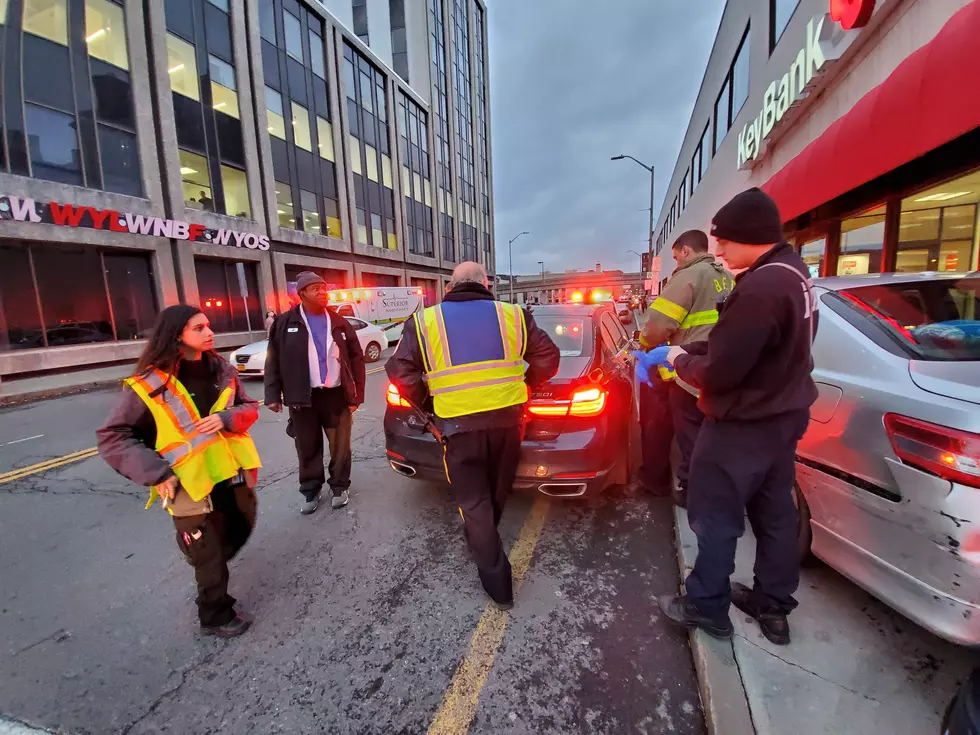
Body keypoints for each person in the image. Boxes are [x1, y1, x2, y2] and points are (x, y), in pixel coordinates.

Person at [654, 188, 818, 645]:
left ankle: (706, 606)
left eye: (725, 241)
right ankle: (773, 605)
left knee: (715, 515)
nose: (719, 249)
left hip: (741, 426)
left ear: (751, 236)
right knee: (775, 516)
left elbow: (722, 372)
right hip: (781, 419)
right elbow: (752, 347)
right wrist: (694, 347)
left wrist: (677, 360)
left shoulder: (762, 288)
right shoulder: (794, 274)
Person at [386, 262, 560, 609]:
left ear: (449, 287)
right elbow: (548, 357)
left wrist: (429, 403)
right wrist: (524, 385)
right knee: (496, 490)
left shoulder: (424, 321)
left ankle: (497, 581)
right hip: (508, 421)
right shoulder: (514, 315)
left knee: (473, 501)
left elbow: (401, 373)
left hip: (457, 426)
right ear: (487, 285)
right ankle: (485, 540)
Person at [97, 305, 261, 638]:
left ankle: (199, 556)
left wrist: (227, 419)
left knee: (238, 528)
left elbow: (248, 407)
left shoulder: (222, 369)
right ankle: (214, 615)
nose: (209, 332)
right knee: (209, 552)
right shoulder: (149, 384)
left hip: (229, 474)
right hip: (186, 485)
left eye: (208, 325)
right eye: (199, 328)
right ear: (176, 336)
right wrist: (157, 474)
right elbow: (113, 436)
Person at [635, 230, 733, 506]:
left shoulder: (688, 277)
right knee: (710, 435)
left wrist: (644, 344)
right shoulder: (727, 278)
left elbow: (657, 327)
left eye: (676, 256)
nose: (676, 262)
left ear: (687, 251)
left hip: (688, 370)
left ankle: (693, 492)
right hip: (720, 365)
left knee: (690, 435)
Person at [264, 271, 365, 515]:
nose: (322, 292)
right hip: (302, 398)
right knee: (307, 447)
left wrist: (357, 395)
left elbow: (356, 358)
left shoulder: (339, 322)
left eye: (323, 287)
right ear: (302, 294)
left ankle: (340, 487)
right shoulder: (285, 323)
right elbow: (273, 359)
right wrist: (271, 394)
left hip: (335, 395)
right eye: (315, 289)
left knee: (340, 446)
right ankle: (310, 489)